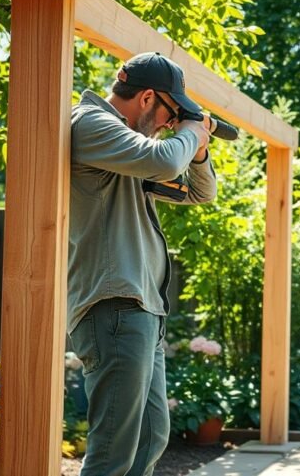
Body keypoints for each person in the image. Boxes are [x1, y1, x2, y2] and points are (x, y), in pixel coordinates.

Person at [67, 52, 217, 476]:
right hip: (113, 303)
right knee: (112, 453)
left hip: (142, 309)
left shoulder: (130, 150)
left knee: (151, 437)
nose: (171, 124)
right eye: (171, 113)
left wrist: (200, 149)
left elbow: (200, 193)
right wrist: (191, 131)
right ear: (148, 97)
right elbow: (167, 160)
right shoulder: (91, 124)